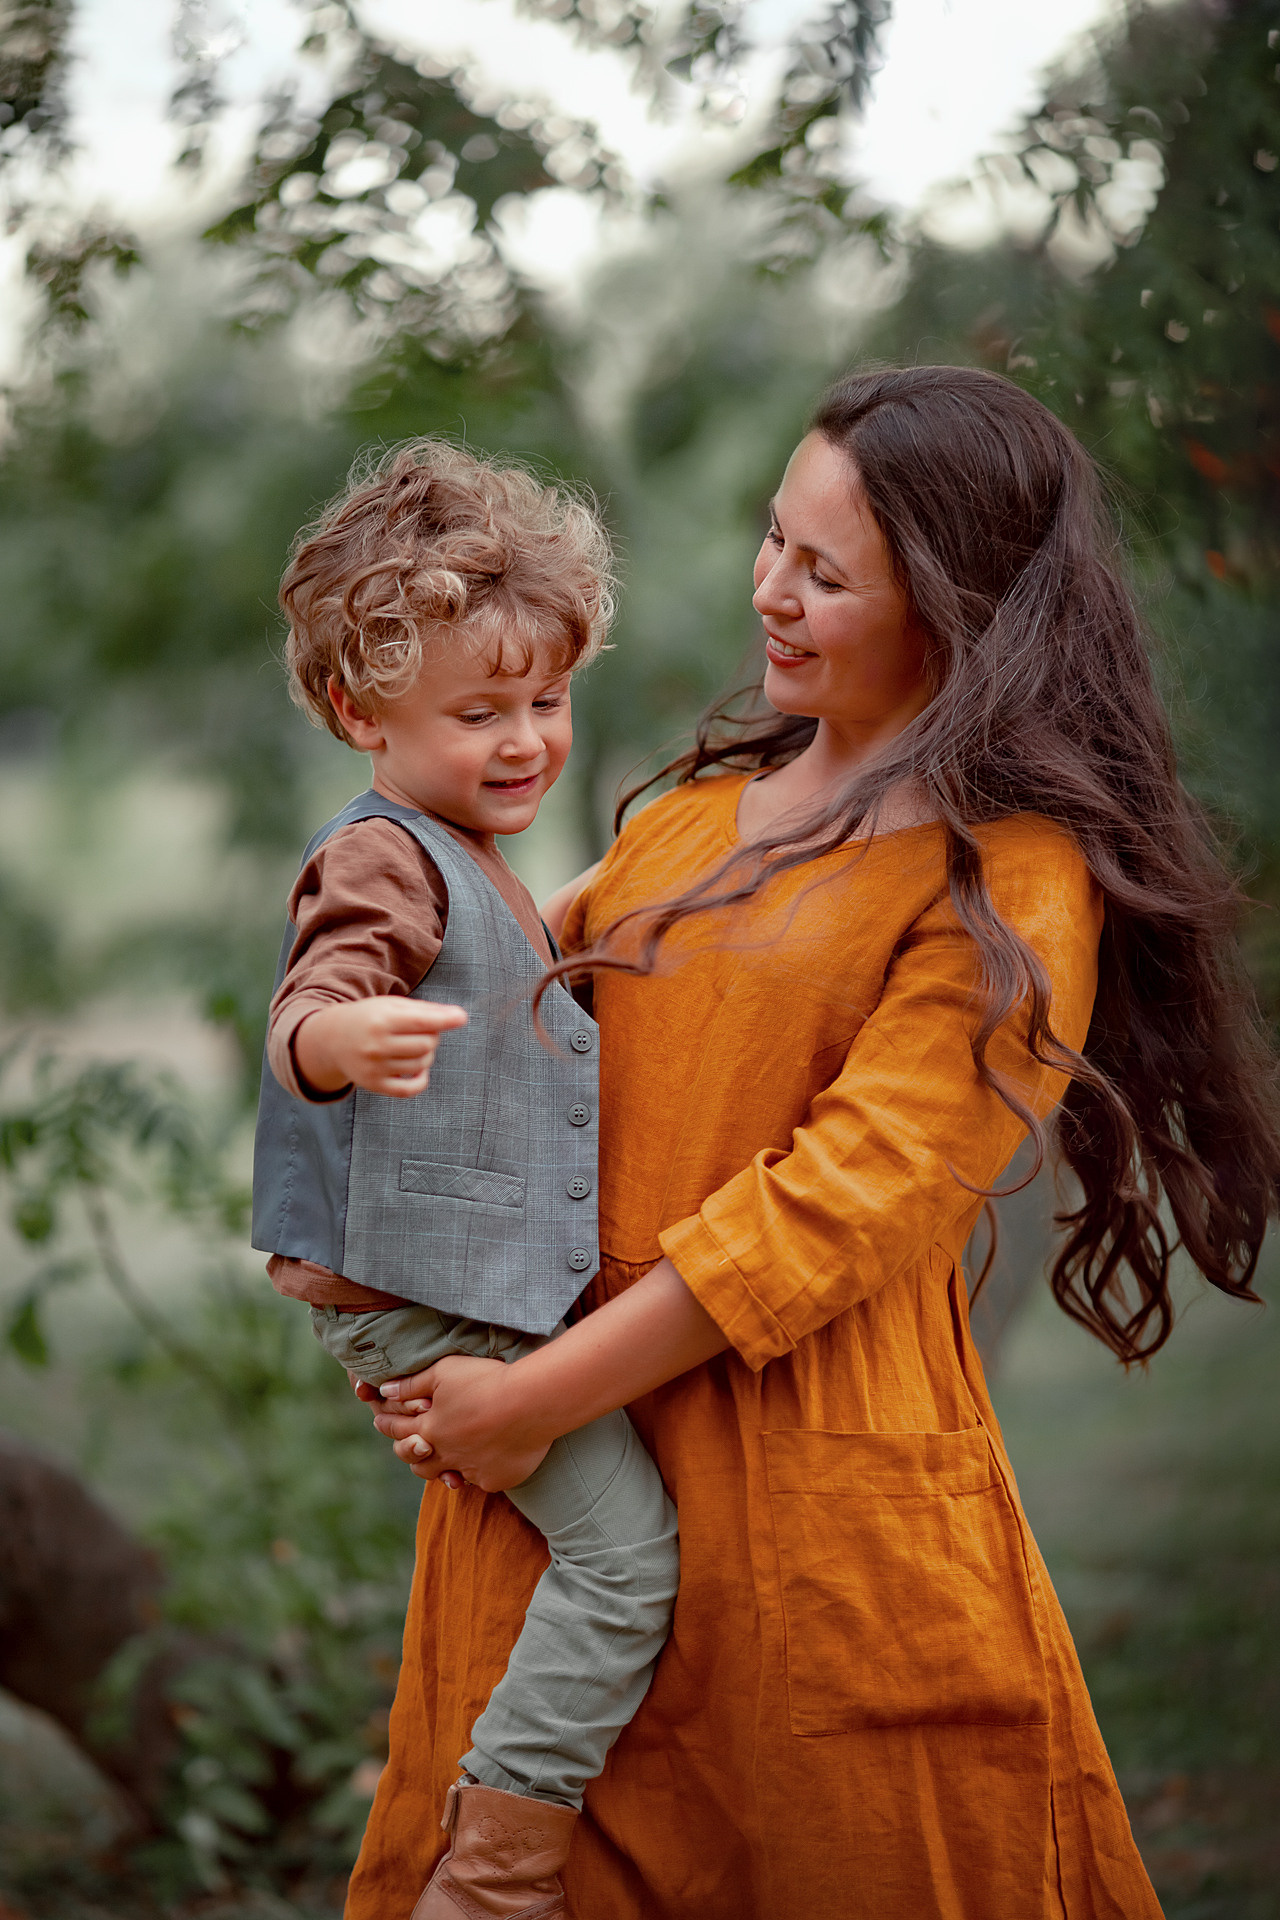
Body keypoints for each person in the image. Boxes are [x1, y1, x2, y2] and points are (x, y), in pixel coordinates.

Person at [354, 367, 1280, 1919]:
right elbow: (489, 996)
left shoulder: (1008, 873)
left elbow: (836, 1214)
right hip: (576, 1480)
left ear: (957, 605)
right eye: (773, 541)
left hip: (805, 1509)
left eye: (827, 572)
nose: (771, 595)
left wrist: (528, 1403)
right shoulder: (693, 821)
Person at [250, 441, 679, 1920]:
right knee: (627, 1561)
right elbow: (313, 1001)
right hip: (428, 1301)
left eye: (546, 702)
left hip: (447, 1286)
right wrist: (338, 1040)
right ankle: (495, 1873)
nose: (523, 742)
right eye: (477, 711)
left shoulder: (467, 850)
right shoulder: (384, 858)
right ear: (356, 711)